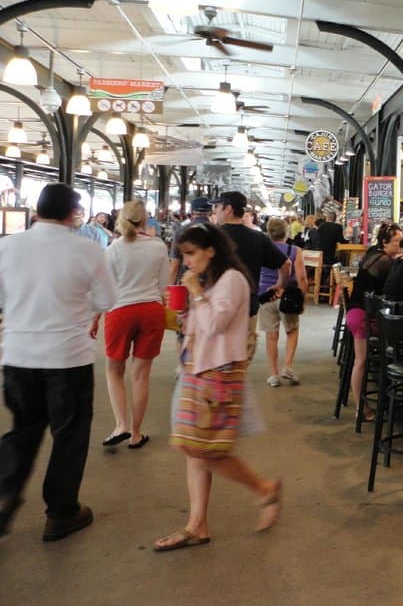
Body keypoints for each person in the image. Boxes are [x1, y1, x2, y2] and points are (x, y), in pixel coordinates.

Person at [0, 183, 117, 541]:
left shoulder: (7, 246)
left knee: (23, 430)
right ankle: (61, 512)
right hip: (68, 357)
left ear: (37, 209)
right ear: (72, 213)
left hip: (19, 355)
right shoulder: (88, 249)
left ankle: (3, 497)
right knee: (69, 435)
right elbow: (107, 299)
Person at [155, 223, 280, 551]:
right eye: (184, 255)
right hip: (198, 371)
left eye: (191, 254)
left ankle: (264, 489)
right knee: (195, 451)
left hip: (217, 376)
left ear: (211, 251)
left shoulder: (232, 281)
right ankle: (198, 524)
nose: (187, 262)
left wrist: (195, 292)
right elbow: (202, 324)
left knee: (205, 452)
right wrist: (184, 310)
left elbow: (215, 325)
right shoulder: (214, 281)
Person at [96, 199, 169, 450]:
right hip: (151, 311)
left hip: (120, 312)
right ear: (145, 219)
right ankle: (136, 433)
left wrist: (95, 317)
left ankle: (121, 425)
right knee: (141, 375)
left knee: (114, 370)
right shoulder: (159, 247)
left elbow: (103, 289)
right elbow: (163, 287)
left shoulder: (113, 249)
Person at [212, 191, 290, 362]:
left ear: (228, 209)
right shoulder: (258, 238)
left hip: (216, 308)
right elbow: (286, 264)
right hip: (247, 307)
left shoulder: (212, 237)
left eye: (217, 207)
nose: (215, 211)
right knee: (241, 361)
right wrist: (280, 285)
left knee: (217, 360)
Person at [345, 222, 403, 420]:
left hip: (355, 313)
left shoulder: (373, 252)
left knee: (364, 359)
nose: (400, 246)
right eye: (398, 242)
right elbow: (397, 283)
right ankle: (361, 408)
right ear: (386, 242)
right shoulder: (385, 261)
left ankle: (394, 389)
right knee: (361, 361)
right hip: (362, 317)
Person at [258, 217, 307, 388]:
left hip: (266, 294)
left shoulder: (262, 250)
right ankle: (288, 366)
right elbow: (301, 277)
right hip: (288, 296)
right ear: (286, 233)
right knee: (292, 330)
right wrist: (303, 298)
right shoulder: (295, 251)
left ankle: (273, 374)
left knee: (271, 335)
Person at [168, 197, 213, 284]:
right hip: (211, 283)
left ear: (192, 212)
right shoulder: (217, 231)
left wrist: (169, 287)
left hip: (187, 281)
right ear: (210, 212)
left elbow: (174, 265)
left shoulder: (181, 231)